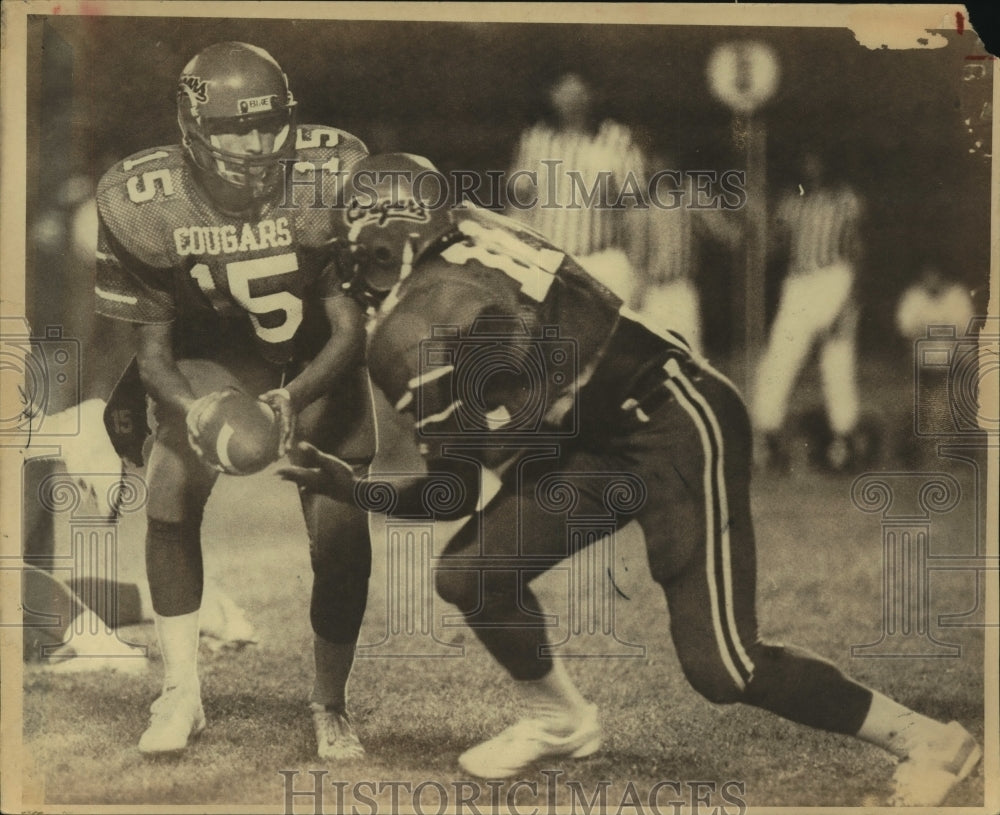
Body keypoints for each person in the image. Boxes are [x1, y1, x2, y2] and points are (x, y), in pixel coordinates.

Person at [280, 153, 981, 807]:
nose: (351, 274)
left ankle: (928, 739)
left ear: (378, 248)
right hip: (598, 429)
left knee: (725, 668)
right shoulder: (474, 229)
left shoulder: (413, 327)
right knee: (473, 569)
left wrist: (348, 484)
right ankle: (559, 719)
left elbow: (451, 490)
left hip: (672, 421)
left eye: (358, 254)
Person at [93, 42, 375, 759]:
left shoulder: (328, 174)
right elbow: (153, 354)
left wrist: (294, 396)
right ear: (194, 129)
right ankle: (180, 691)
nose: (257, 144)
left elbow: (349, 325)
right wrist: (195, 412)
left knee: (341, 535)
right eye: (234, 128)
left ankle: (331, 703)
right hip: (213, 356)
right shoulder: (143, 202)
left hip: (313, 358)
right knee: (170, 492)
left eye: (269, 124)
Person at [751, 151, 864, 473]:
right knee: (779, 358)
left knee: (836, 359)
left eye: (817, 162)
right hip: (799, 283)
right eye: (806, 163)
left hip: (834, 278)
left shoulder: (845, 200)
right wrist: (758, 217)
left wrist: (849, 299)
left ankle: (843, 440)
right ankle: (766, 436)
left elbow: (857, 250)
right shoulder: (792, 202)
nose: (811, 168)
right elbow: (774, 245)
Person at [507, 72, 647, 305]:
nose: (571, 98)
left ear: (592, 94)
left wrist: (639, 270)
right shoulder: (535, 140)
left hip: (600, 263)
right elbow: (518, 205)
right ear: (551, 95)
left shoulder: (616, 140)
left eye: (578, 90)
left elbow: (637, 211)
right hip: (545, 262)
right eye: (563, 90)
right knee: (541, 337)